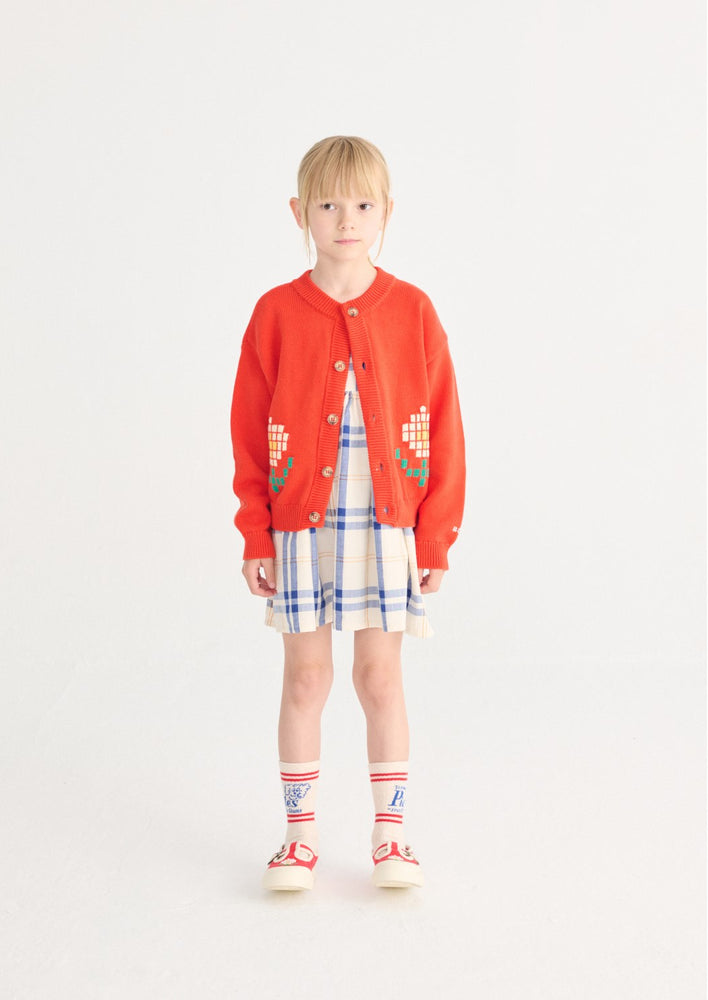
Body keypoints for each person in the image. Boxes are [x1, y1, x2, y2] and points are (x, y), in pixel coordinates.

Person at [229, 136, 466, 891]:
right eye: (328, 204)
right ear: (299, 211)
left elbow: (445, 426)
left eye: (362, 204)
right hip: (300, 528)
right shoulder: (275, 313)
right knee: (305, 679)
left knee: (379, 677)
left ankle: (390, 837)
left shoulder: (413, 310)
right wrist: (255, 531)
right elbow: (248, 430)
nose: (346, 220)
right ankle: (298, 837)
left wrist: (435, 536)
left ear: (387, 212)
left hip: (385, 524)